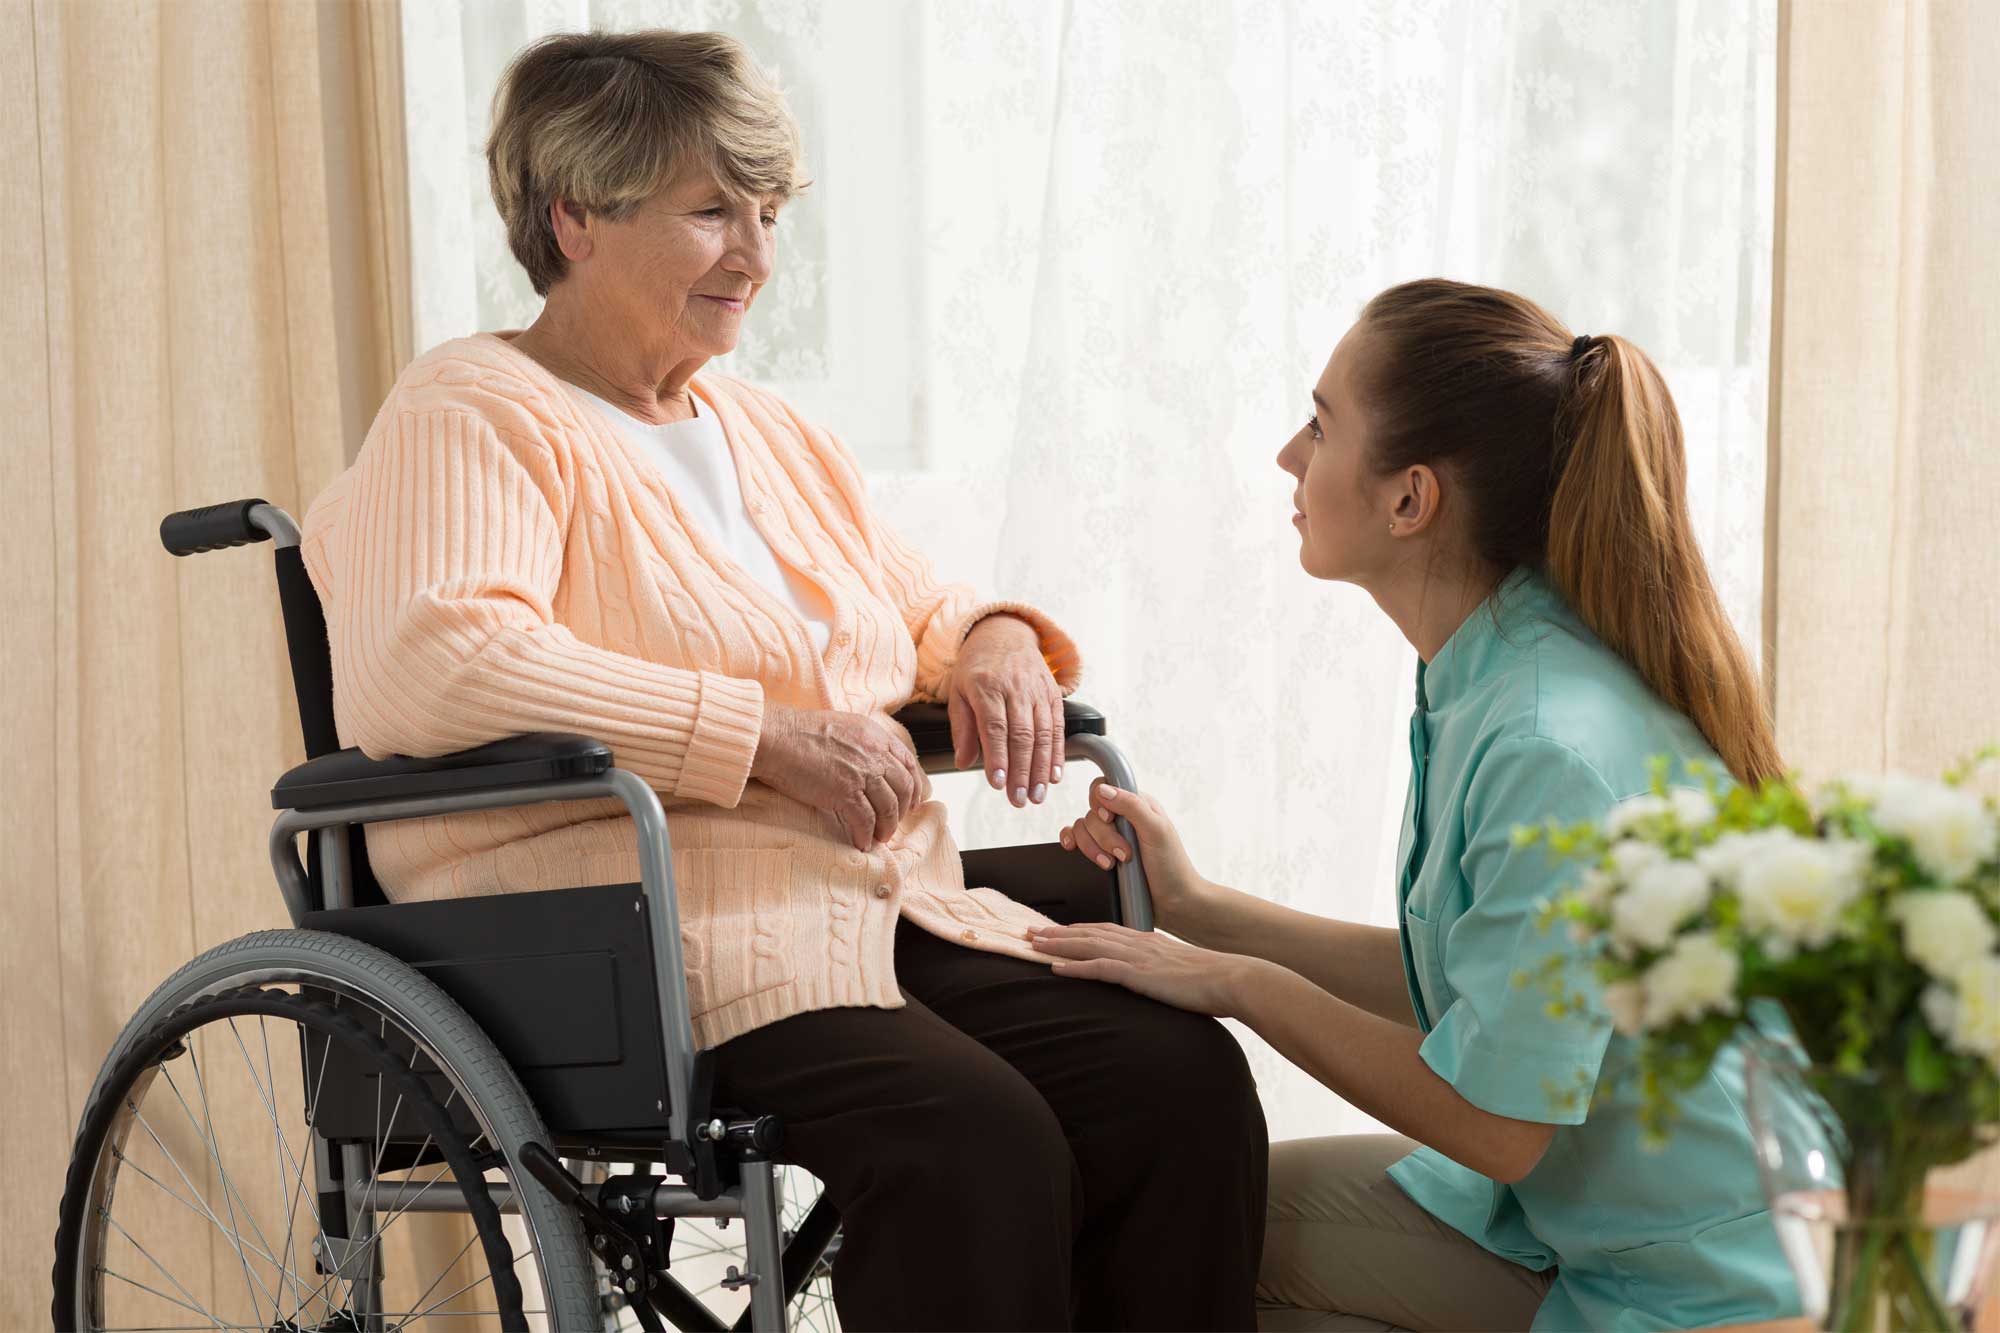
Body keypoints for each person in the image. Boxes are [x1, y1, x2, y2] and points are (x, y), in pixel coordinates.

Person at [300, 29, 1264, 1330]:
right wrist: (759, 735)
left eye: (766, 213)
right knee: (971, 1143)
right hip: (630, 929)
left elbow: (912, 604)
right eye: (710, 213)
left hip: (855, 900)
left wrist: (992, 637)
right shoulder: (476, 407)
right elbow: (435, 662)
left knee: (1174, 1079)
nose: (756, 254)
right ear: (573, 217)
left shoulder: (764, 426)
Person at [1034, 279, 1799, 1331]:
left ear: (1409, 499)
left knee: (1177, 1256)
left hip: (1712, 1287)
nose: (1287, 458)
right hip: (1584, 1225)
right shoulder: (1493, 672)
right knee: (1172, 1226)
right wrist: (1199, 907)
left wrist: (1237, 982)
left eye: (1319, 424)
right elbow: (1482, 993)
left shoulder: (1543, 741)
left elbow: (1495, 1120)